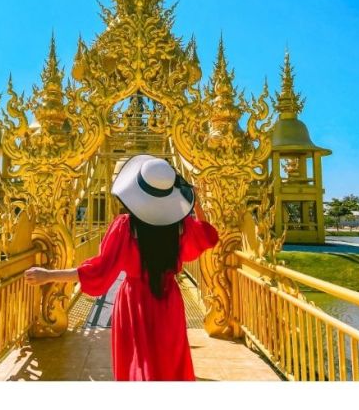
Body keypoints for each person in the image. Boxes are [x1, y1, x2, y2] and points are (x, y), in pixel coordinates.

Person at [25, 154, 219, 380]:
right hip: (169, 302)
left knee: (138, 365)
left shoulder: (125, 227)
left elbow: (98, 271)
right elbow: (206, 234)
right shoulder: (180, 224)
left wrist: (49, 275)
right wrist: (194, 202)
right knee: (169, 364)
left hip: (134, 303)